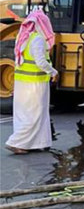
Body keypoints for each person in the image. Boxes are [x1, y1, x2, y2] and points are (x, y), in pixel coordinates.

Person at [5, 9, 58, 154]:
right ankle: (17, 142)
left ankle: (38, 142)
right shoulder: (37, 39)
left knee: (25, 114)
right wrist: (53, 72)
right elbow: (41, 62)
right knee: (35, 113)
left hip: (22, 82)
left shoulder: (22, 37)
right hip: (35, 82)